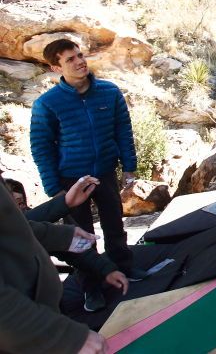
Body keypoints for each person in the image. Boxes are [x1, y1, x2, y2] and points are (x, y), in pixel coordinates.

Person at [29, 39, 146, 314]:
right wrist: (54, 190)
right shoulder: (47, 104)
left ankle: (124, 266)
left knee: (114, 225)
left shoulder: (108, 92)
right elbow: (41, 147)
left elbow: (123, 130)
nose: (80, 62)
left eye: (80, 55)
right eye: (70, 59)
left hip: (105, 170)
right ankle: (91, 286)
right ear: (55, 66)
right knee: (79, 236)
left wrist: (129, 166)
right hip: (71, 180)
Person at [0, 178, 109, 354]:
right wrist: (62, 337)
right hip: (22, 331)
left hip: (39, 313)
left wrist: (61, 233)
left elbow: (14, 227)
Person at [5, 177, 129, 312]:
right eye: (12, 204)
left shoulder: (25, 226)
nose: (19, 207)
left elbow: (69, 249)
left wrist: (106, 269)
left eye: (21, 203)